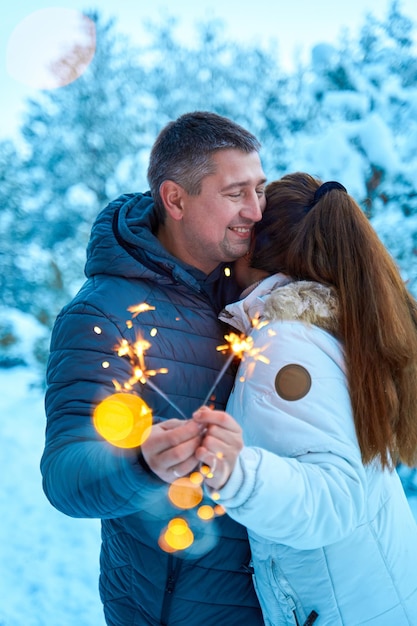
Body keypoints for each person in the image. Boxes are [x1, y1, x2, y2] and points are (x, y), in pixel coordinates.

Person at [41, 111, 268, 625]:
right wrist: (143, 464)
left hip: (277, 603)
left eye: (260, 188)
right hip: (173, 611)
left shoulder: (259, 288)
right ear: (175, 199)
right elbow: (65, 476)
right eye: (236, 193)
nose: (256, 211)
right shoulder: (102, 316)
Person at [193, 172, 417, 626]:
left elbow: (336, 497)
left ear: (255, 248)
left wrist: (236, 473)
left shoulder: (284, 344)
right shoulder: (334, 324)